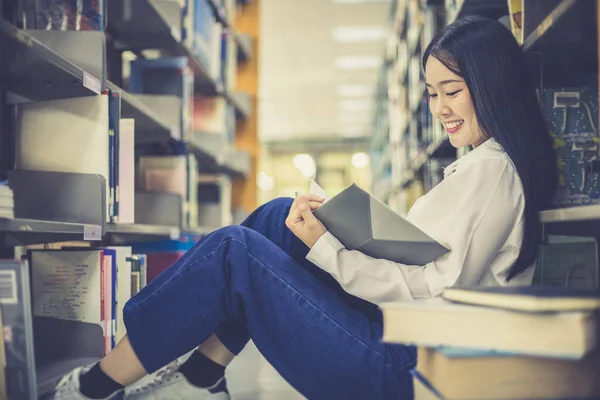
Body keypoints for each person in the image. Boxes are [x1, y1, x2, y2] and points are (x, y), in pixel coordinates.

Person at [53, 15, 557, 400]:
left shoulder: (492, 171)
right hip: (402, 338)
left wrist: (329, 249)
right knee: (277, 218)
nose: (440, 108)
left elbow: (426, 289)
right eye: (431, 94)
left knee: (235, 251)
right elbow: (426, 260)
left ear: (491, 86)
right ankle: (201, 376)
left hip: (410, 367)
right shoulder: (481, 166)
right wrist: (338, 231)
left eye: (453, 91)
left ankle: (94, 386)